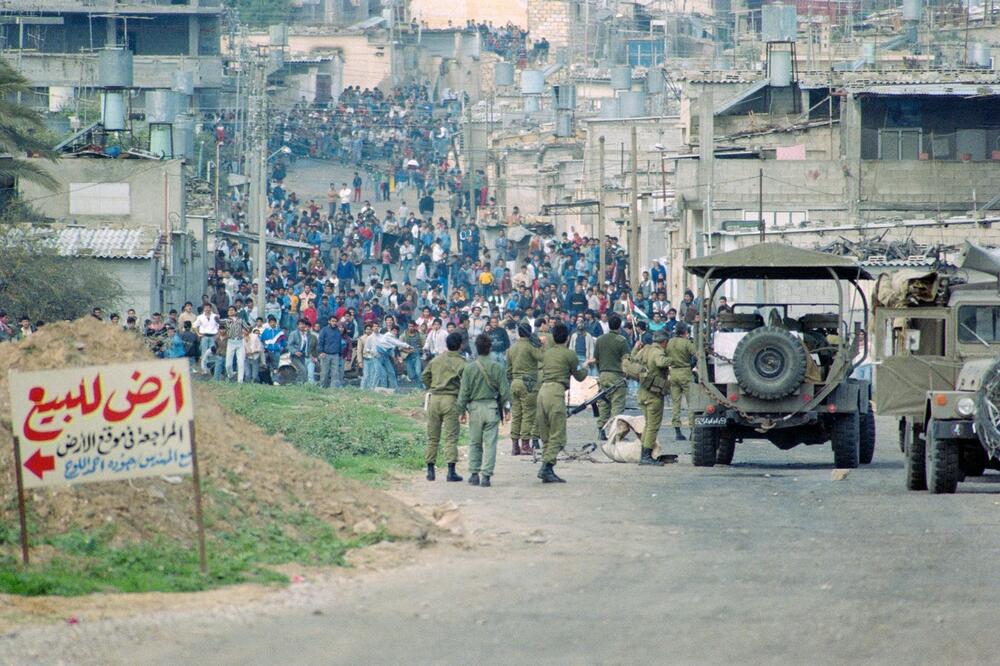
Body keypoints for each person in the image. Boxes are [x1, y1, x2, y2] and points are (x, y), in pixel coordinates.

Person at [536, 322, 590, 483]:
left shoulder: (546, 353)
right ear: (567, 338)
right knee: (558, 436)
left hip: (542, 392)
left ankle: (548, 469)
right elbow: (579, 376)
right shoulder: (569, 355)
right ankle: (546, 466)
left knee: (546, 436)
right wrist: (586, 366)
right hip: (556, 393)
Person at [456, 334, 510, 487]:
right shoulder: (498, 367)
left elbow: (464, 393)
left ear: (476, 349)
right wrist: (505, 408)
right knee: (490, 443)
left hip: (474, 408)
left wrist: (461, 411)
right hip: (492, 407)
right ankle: (486, 476)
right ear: (490, 348)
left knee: (474, 442)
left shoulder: (469, 368)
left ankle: (474, 474)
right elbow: (505, 392)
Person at [421, 331, 467, 482]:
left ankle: (430, 470)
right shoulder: (462, 363)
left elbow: (424, 376)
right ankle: (450, 471)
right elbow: (466, 385)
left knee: (432, 436)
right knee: (450, 437)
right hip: (451, 399)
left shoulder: (436, 360)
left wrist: (432, 386)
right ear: (461, 345)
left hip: (434, 399)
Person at [505, 322, 543, 456]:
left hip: (514, 383)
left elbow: (508, 370)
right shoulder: (530, 347)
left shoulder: (512, 348)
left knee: (516, 415)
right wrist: (540, 344)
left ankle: (515, 446)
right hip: (528, 383)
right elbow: (541, 357)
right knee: (528, 414)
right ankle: (525, 445)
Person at [635, 330, 672, 465]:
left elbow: (634, 359)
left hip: (642, 393)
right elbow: (661, 362)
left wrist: (635, 347)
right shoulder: (658, 352)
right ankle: (646, 457)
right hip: (653, 395)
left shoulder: (645, 349)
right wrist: (673, 359)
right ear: (664, 342)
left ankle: (643, 454)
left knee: (647, 425)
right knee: (653, 426)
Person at [593, 314, 630, 439]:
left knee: (603, 403)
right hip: (617, 376)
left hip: (603, 374)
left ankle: (601, 430)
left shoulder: (600, 339)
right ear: (620, 326)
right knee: (617, 404)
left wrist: (601, 372)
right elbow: (626, 360)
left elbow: (596, 359)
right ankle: (615, 433)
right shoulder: (622, 341)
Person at [666, 322, 697, 439]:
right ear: (685, 332)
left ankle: (677, 431)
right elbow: (696, 354)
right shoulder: (687, 342)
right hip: (685, 372)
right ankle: (692, 430)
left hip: (673, 372)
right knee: (691, 404)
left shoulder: (669, 342)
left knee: (675, 403)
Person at [318, 315, 345, 388]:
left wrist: (339, 354)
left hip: (335, 355)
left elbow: (339, 343)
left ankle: (333, 388)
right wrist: (321, 352)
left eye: (335, 321)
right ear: (329, 321)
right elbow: (320, 342)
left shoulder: (338, 331)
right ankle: (322, 387)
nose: (334, 323)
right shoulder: (324, 330)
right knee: (324, 372)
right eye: (332, 321)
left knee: (335, 373)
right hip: (325, 354)